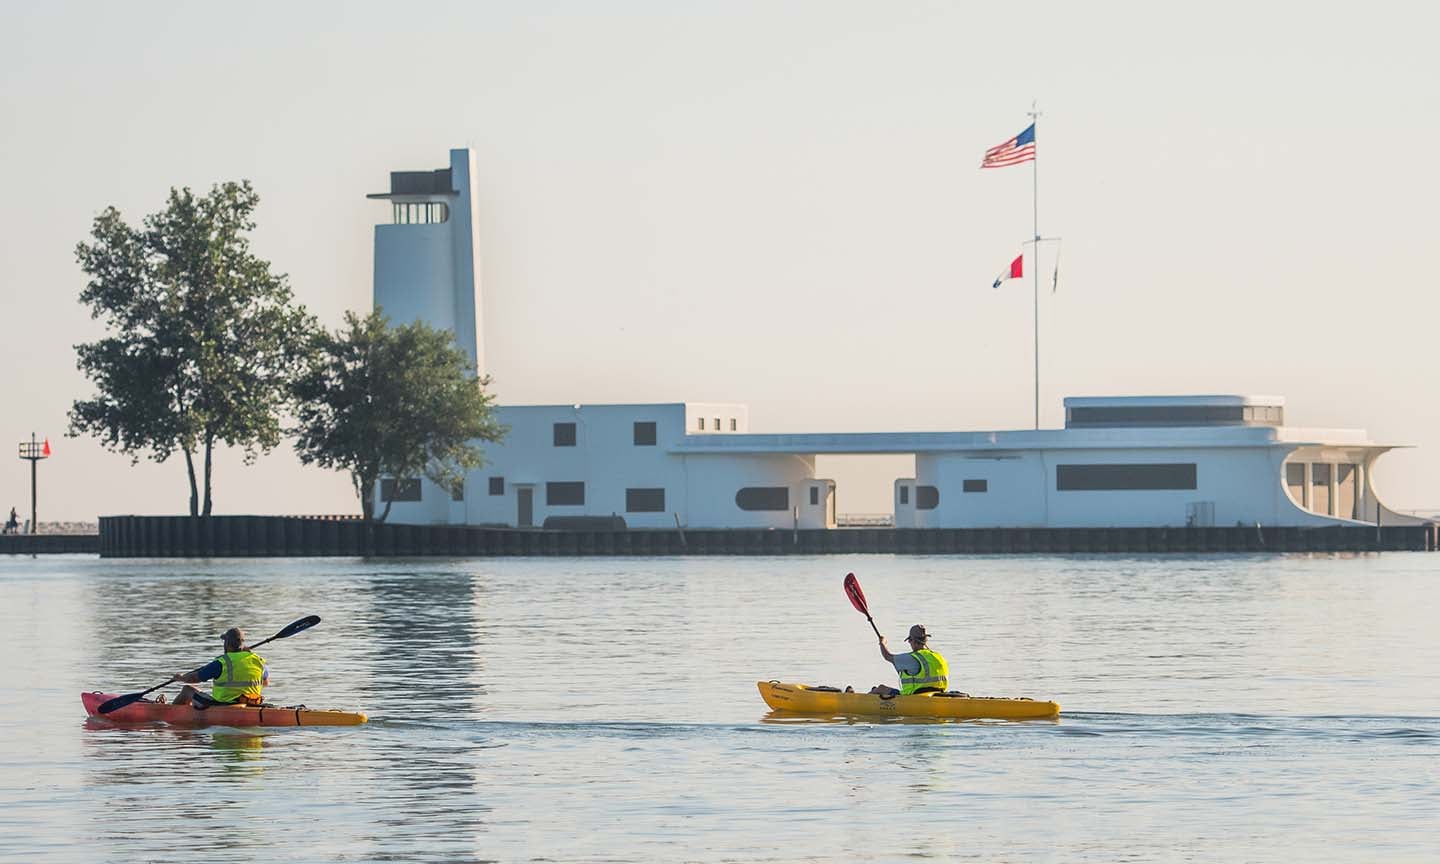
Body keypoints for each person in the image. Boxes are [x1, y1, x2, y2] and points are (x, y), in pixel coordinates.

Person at [164, 626, 269, 708]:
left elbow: (194, 678)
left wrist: (180, 678)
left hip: (223, 705)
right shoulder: (257, 660)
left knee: (187, 690)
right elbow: (266, 682)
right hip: (252, 704)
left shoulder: (221, 662)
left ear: (227, 643)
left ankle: (170, 713)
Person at [868, 624, 949, 697]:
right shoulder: (938, 656)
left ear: (911, 640)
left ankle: (857, 702)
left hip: (914, 698)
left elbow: (887, 656)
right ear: (925, 640)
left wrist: (882, 644)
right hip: (938, 695)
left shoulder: (912, 658)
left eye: (910, 641)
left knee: (880, 688)